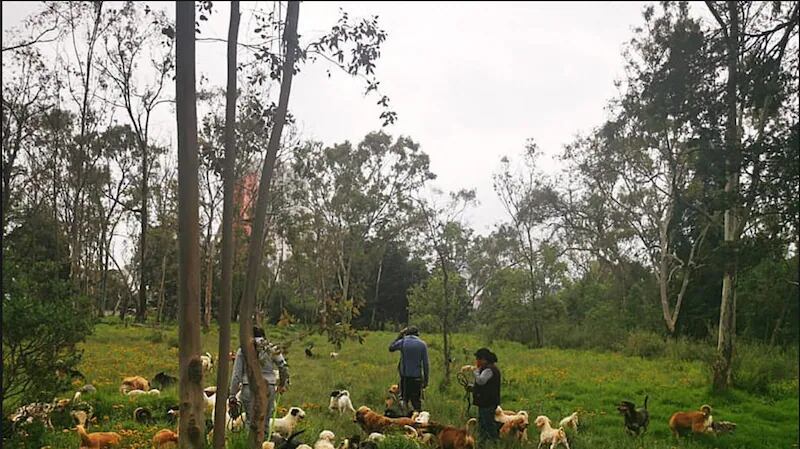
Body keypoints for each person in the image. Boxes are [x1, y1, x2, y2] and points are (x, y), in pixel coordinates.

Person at [229, 326, 289, 429]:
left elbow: (236, 374)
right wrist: (282, 384)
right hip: (268, 387)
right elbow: (283, 366)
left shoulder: (243, 350)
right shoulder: (271, 348)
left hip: (248, 387)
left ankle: (250, 444)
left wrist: (232, 395)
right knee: (265, 422)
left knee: (250, 422)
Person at [388, 326, 429, 412]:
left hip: (405, 378)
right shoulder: (422, 344)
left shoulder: (402, 342)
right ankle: (417, 420)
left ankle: (405, 419)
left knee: (404, 400)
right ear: (417, 334)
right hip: (417, 378)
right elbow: (425, 364)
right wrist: (426, 380)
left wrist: (400, 335)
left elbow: (391, 348)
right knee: (416, 402)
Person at [472, 347, 501, 442]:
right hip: (486, 401)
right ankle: (484, 442)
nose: (476, 361)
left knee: (488, 424)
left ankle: (494, 442)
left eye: (478, 359)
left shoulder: (489, 370)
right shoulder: (488, 369)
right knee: (483, 424)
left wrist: (475, 371)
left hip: (487, 402)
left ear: (483, 359)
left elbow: (481, 381)